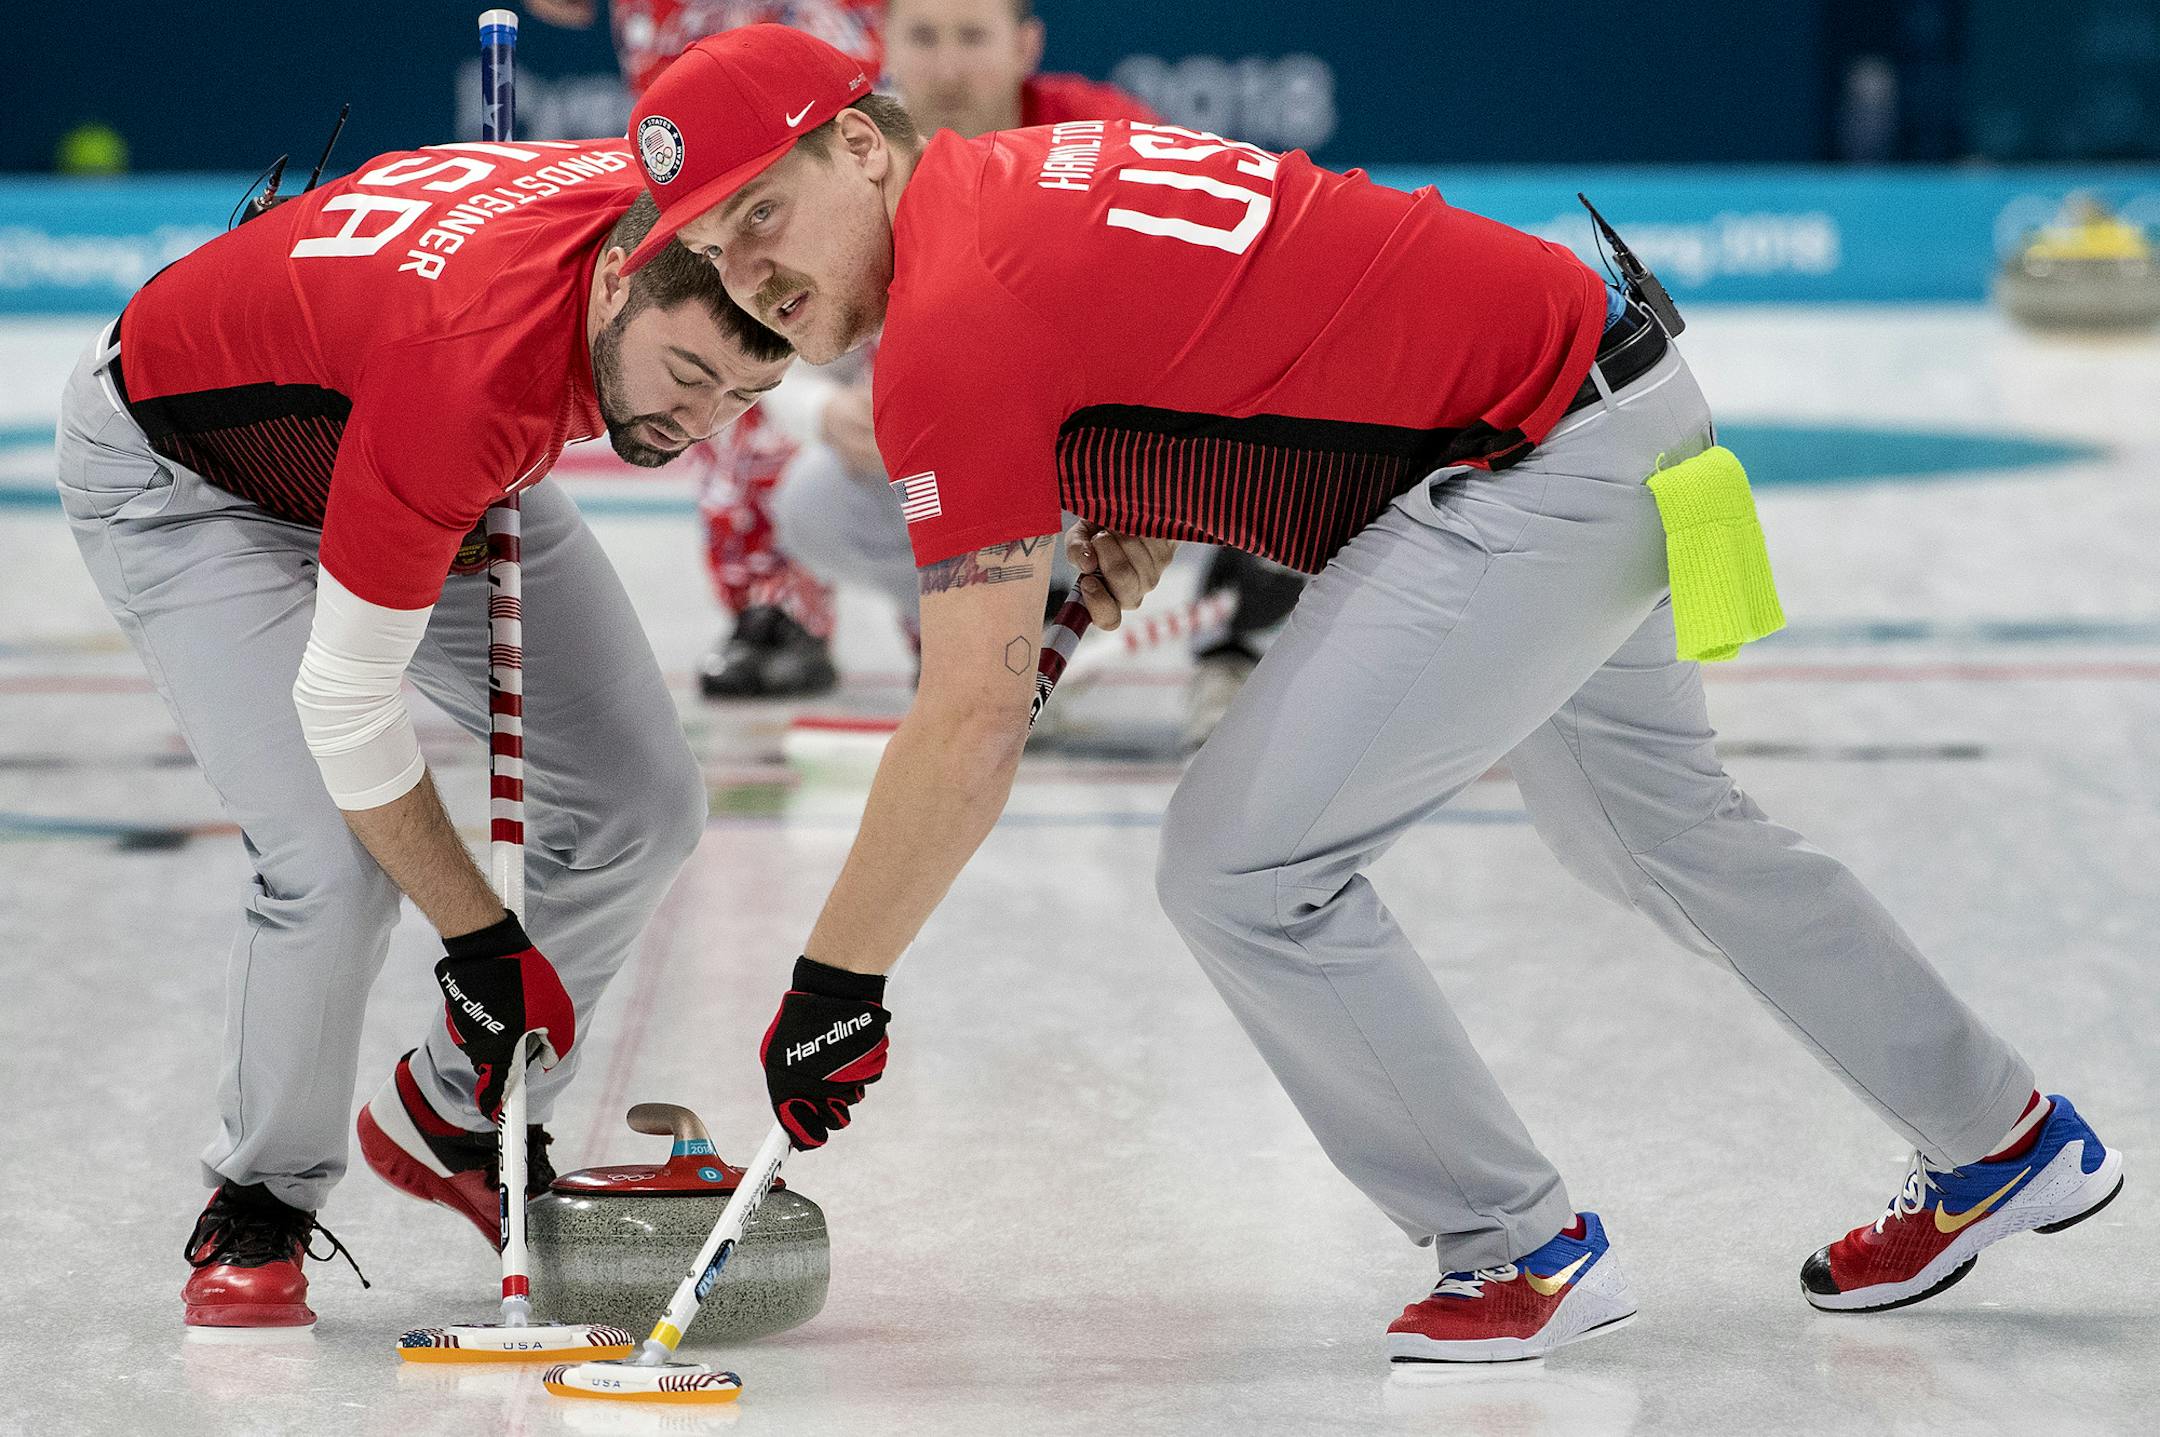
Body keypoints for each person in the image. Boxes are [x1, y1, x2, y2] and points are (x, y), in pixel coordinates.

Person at [631, 25, 2125, 1362]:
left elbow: (965, 724)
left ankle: (1513, 1247)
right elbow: (1234, 332)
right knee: (1665, 831)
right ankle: (2002, 1134)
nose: (749, 267)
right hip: (1617, 392)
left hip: (1530, 465)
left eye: (765, 210)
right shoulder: (1023, 173)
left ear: (865, 146)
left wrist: (833, 988)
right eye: (713, 244)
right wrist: (1136, 509)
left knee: (1245, 865)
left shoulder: (955, 315)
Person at [54, 136, 792, 1328]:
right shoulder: (473, 376)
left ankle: (456, 1110)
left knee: (641, 803)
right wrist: (483, 945)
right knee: (331, 861)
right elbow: (346, 710)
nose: (698, 423)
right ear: (615, 281)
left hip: (408, 440)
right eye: (687, 373)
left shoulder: (655, 207)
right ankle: (262, 1194)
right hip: (197, 485)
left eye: (743, 396)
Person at [765, 0, 1305, 731]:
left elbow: (1233, 293)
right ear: (883, 44)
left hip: (1120, 460)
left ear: (1025, 45)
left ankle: (1236, 629)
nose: (948, 66)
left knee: (1281, 447)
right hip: (977, 473)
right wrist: (825, 413)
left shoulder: (1111, 136)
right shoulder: (845, 162)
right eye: (924, 37)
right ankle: (1004, 623)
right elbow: (765, 338)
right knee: (813, 502)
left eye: (972, 37)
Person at [533, 0, 884, 699]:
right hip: (686, 41)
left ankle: (942, 581)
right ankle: (774, 599)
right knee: (716, 299)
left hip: (824, 33)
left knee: (859, 246)